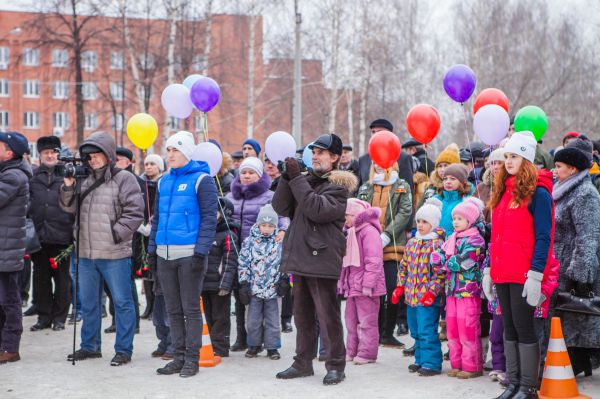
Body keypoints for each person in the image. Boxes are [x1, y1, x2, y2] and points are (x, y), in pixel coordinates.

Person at [273, 133, 358, 385]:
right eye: (314, 152)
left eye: (321, 152)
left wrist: (297, 178)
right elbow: (280, 207)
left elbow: (316, 209)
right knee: (302, 315)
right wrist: (286, 178)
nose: (315, 156)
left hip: (322, 258)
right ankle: (302, 362)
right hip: (300, 255)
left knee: (327, 315)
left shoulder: (339, 186)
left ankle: (335, 365)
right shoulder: (306, 180)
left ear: (334, 158)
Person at [60, 131, 144, 366]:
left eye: (97, 155)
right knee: (89, 303)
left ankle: (124, 350)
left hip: (114, 253)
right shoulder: (83, 179)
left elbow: (135, 212)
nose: (93, 159)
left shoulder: (124, 179)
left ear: (108, 155)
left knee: (122, 302)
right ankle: (90, 346)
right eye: (90, 156)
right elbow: (68, 208)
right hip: (85, 253)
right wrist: (68, 186)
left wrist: (116, 233)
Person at [484, 131, 555, 399]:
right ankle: (512, 383)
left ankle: (528, 387)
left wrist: (536, 275)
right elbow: (497, 237)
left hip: (525, 273)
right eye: (506, 157)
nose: (508, 161)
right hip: (503, 273)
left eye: (514, 156)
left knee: (524, 327)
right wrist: (489, 270)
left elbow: (544, 237)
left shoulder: (539, 194)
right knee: (509, 327)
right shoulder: (503, 192)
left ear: (526, 158)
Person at [147, 131, 218, 378]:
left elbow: (210, 218)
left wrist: (201, 250)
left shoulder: (202, 180)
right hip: (165, 255)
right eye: (168, 150)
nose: (170, 155)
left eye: (175, 150)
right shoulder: (163, 181)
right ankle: (177, 357)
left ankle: (192, 359)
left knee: (190, 309)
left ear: (187, 152)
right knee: (172, 309)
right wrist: (152, 249)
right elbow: (157, 219)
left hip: (190, 255)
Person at [225, 156, 287, 352]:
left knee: (265, 305)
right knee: (242, 295)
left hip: (265, 251)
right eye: (243, 172)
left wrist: (283, 231)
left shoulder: (269, 196)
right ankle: (244, 338)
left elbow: (282, 215)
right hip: (237, 251)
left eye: (251, 172)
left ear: (259, 175)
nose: (247, 176)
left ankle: (268, 343)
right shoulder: (230, 196)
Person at [552, 138, 600, 377]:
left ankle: (579, 362)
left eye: (559, 166)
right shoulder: (561, 187)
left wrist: (579, 272)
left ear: (572, 168)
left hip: (574, 264)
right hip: (559, 262)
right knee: (566, 316)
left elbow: (589, 235)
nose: (555, 170)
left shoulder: (585, 193)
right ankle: (572, 362)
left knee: (578, 315)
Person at [356, 162, 412, 347]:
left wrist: (387, 235)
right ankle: (375, 332)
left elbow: (404, 213)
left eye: (383, 161)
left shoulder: (402, 186)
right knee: (373, 292)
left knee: (392, 289)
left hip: (393, 247)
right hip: (368, 247)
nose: (378, 166)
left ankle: (388, 332)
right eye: (375, 162)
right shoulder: (366, 186)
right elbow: (359, 211)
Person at [432, 197, 486, 379]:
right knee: (452, 329)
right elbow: (437, 259)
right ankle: (456, 364)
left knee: (467, 328)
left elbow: (462, 262)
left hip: (467, 291)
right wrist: (441, 260)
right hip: (451, 290)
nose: (455, 222)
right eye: (454, 218)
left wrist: (444, 262)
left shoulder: (476, 240)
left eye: (460, 219)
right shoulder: (451, 238)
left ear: (469, 220)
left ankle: (472, 365)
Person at [392, 198, 445, 376]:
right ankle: (420, 359)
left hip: (426, 298)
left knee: (426, 330)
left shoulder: (437, 245)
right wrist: (400, 286)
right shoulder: (412, 243)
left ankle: (432, 363)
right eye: (419, 221)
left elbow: (439, 273)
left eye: (425, 222)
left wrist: (432, 291)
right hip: (411, 296)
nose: (421, 225)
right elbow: (404, 266)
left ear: (434, 223)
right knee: (415, 330)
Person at [29, 136, 74, 332]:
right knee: (40, 280)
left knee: (62, 279)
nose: (50, 155)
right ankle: (44, 316)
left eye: (53, 152)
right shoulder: (33, 177)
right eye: (46, 152)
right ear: (39, 155)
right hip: (38, 237)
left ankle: (60, 317)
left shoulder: (66, 176)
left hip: (61, 236)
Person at [337, 199, 385, 365]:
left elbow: (374, 259)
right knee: (351, 320)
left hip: (366, 286)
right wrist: (343, 283)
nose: (345, 220)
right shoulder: (351, 233)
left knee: (367, 321)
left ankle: (367, 353)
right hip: (353, 285)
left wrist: (368, 284)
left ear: (356, 215)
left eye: (347, 215)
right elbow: (347, 264)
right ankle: (352, 350)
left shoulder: (369, 232)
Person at [0, 132, 32, 364]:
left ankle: (10, 348)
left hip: (6, 251)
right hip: (4, 248)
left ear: (9, 152)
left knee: (9, 301)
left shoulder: (14, 176)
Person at [238, 204, 285, 360]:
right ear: (258, 224)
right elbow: (243, 262)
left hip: (273, 287)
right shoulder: (249, 242)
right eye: (263, 225)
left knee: (273, 320)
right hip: (254, 288)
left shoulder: (280, 242)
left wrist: (285, 279)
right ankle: (254, 345)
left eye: (270, 226)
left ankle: (272, 347)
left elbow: (286, 262)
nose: (266, 228)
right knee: (253, 320)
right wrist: (244, 282)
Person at [201, 197, 239, 358]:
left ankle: (221, 347)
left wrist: (225, 284)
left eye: (215, 212)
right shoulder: (201, 232)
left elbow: (230, 261)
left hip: (219, 284)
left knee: (220, 317)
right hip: (203, 283)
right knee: (206, 316)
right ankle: (208, 345)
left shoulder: (227, 234)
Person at [138, 153, 165, 320]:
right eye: (146, 164)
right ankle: (149, 304)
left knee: (157, 271)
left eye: (152, 164)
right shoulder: (141, 184)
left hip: (159, 230)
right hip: (143, 231)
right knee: (146, 270)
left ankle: (157, 305)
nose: (148, 167)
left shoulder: (164, 183)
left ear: (160, 167)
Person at [357, 119, 414, 192]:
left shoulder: (403, 158)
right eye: (373, 132)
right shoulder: (363, 160)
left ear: (390, 134)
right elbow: (360, 189)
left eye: (379, 132)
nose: (375, 135)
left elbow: (408, 189)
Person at [434, 163, 474, 236]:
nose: (448, 182)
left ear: (462, 182)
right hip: (436, 243)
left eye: (452, 179)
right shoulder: (436, 200)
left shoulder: (466, 202)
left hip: (456, 243)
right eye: (445, 179)